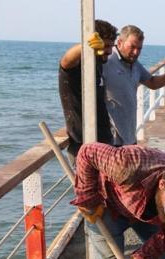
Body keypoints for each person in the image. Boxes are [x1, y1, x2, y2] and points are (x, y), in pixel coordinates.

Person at [103, 25, 165, 145]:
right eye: (132, 47)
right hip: (111, 139)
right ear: (119, 43)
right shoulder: (106, 61)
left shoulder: (135, 64)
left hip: (129, 136)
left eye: (139, 48)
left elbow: (152, 83)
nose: (136, 52)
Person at [58, 19, 118, 157]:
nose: (109, 51)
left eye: (111, 46)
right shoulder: (78, 66)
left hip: (105, 142)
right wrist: (85, 46)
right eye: (105, 46)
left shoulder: (98, 63)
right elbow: (66, 61)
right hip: (83, 147)